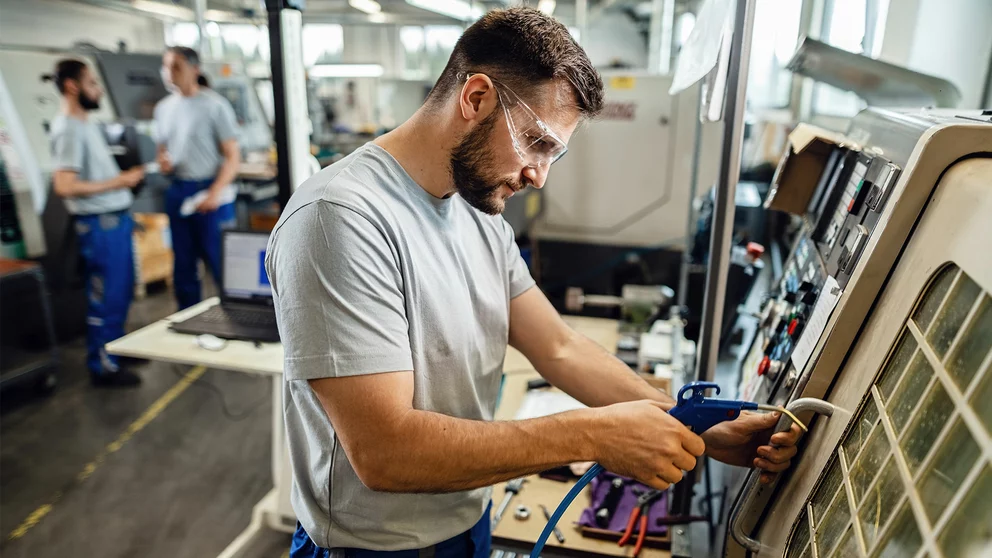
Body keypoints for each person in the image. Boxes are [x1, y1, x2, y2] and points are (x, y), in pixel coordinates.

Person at [266, 8, 802, 556]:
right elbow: (385, 452)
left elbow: (560, 347)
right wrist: (592, 434)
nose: (539, 175)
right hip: (370, 548)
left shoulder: (477, 207)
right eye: (536, 142)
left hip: (465, 518)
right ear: (475, 97)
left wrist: (699, 427)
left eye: (554, 153)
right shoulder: (339, 218)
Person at [46, 59, 145, 387]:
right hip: (98, 225)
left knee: (120, 293)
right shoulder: (68, 128)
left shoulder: (85, 122)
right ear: (72, 86)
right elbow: (64, 185)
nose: (98, 89)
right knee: (105, 296)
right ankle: (102, 365)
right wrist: (118, 183)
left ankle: (115, 347)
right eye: (92, 83)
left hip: (115, 220)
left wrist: (123, 180)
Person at [154, 46, 240, 309]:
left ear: (195, 69)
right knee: (183, 265)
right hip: (179, 189)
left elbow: (232, 156)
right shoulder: (163, 109)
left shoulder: (215, 106)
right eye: (166, 66)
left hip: (211, 191)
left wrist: (214, 193)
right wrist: (164, 162)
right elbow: (162, 151)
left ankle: (237, 321)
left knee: (222, 264)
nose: (169, 72)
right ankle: (188, 320)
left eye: (176, 66)